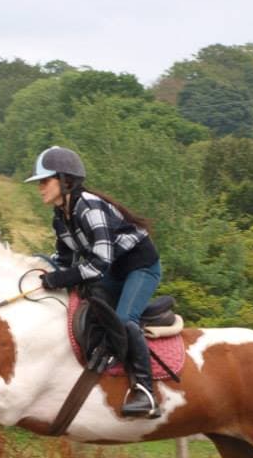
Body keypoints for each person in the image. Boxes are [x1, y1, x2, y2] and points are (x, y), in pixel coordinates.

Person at [26, 145, 162, 418]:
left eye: (45, 180)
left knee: (125, 320)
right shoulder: (60, 217)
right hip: (113, 269)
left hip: (140, 267)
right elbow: (64, 262)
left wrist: (60, 277)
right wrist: (37, 270)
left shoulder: (89, 206)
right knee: (86, 299)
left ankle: (147, 393)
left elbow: (99, 263)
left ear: (65, 181)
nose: (40, 187)